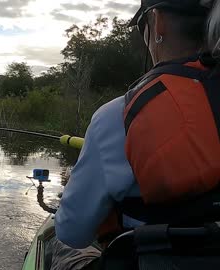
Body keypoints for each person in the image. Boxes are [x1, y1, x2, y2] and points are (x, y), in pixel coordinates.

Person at [52, 0, 220, 269]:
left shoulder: (114, 116)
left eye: (142, 26)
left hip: (149, 261)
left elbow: (73, 233)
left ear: (157, 22)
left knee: (58, 240)